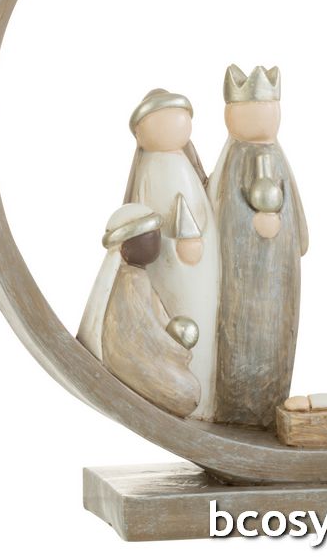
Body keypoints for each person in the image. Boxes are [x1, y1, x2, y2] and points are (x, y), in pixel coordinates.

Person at [210, 64, 307, 427]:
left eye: (267, 109)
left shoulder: (275, 155)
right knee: (239, 334)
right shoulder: (235, 159)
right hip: (240, 275)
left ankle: (271, 403)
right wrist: (252, 224)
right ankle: (235, 409)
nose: (260, 118)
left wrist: (290, 231)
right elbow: (224, 210)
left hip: (277, 272)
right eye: (248, 111)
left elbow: (291, 205)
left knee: (276, 332)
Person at [122, 89, 219, 418]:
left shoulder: (180, 165)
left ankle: (205, 397)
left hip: (199, 265)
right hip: (170, 265)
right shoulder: (154, 169)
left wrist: (195, 239)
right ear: (140, 132)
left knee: (202, 319)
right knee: (176, 317)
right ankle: (186, 395)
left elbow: (199, 210)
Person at [78, 204, 200, 419]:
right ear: (125, 248)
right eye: (150, 239)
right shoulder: (129, 282)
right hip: (134, 360)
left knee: (190, 388)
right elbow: (143, 331)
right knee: (187, 391)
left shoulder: (138, 277)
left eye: (156, 237)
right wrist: (174, 347)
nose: (157, 244)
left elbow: (155, 319)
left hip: (153, 355)